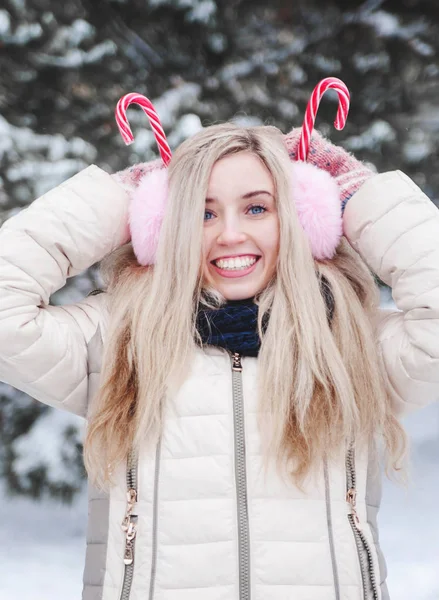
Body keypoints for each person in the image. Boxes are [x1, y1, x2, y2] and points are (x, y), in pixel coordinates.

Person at [0, 122, 438, 600]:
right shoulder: (118, 338)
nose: (230, 234)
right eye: (202, 213)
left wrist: (360, 197)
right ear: (165, 224)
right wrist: (122, 199)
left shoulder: (350, 341)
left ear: (302, 218)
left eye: (257, 208)